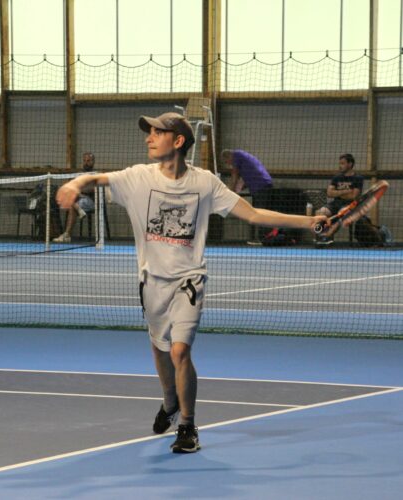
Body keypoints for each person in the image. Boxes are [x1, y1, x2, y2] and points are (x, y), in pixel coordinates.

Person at [56, 112, 325, 453]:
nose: (149, 138)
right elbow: (96, 178)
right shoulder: (137, 177)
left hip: (189, 279)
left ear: (178, 140)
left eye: (157, 133)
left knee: (180, 350)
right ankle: (170, 401)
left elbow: (254, 214)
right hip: (151, 281)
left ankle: (187, 425)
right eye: (149, 133)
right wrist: (74, 184)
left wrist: (307, 222)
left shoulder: (205, 183)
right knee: (160, 349)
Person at [221, 149, 273, 245]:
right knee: (261, 211)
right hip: (263, 185)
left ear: (228, 156)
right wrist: (237, 189)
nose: (228, 164)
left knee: (261, 212)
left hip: (261, 186)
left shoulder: (236, 156)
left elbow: (234, 175)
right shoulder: (243, 157)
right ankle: (265, 237)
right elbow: (246, 177)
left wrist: (230, 191)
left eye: (226, 161)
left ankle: (263, 238)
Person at [315, 153, 364, 246]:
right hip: (335, 203)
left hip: (350, 205)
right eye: (340, 163)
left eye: (342, 163)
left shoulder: (358, 178)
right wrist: (346, 191)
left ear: (350, 164)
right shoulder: (337, 177)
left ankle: (327, 237)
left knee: (340, 215)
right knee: (321, 212)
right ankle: (320, 237)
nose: (340, 166)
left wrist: (337, 192)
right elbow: (329, 193)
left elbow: (353, 196)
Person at [53, 152, 96, 243]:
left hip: (91, 201)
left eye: (88, 161)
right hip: (79, 198)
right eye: (84, 161)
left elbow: (92, 189)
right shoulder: (80, 174)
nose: (86, 163)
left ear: (93, 162)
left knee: (72, 206)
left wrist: (79, 190)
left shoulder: (95, 175)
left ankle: (67, 235)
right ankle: (78, 210)